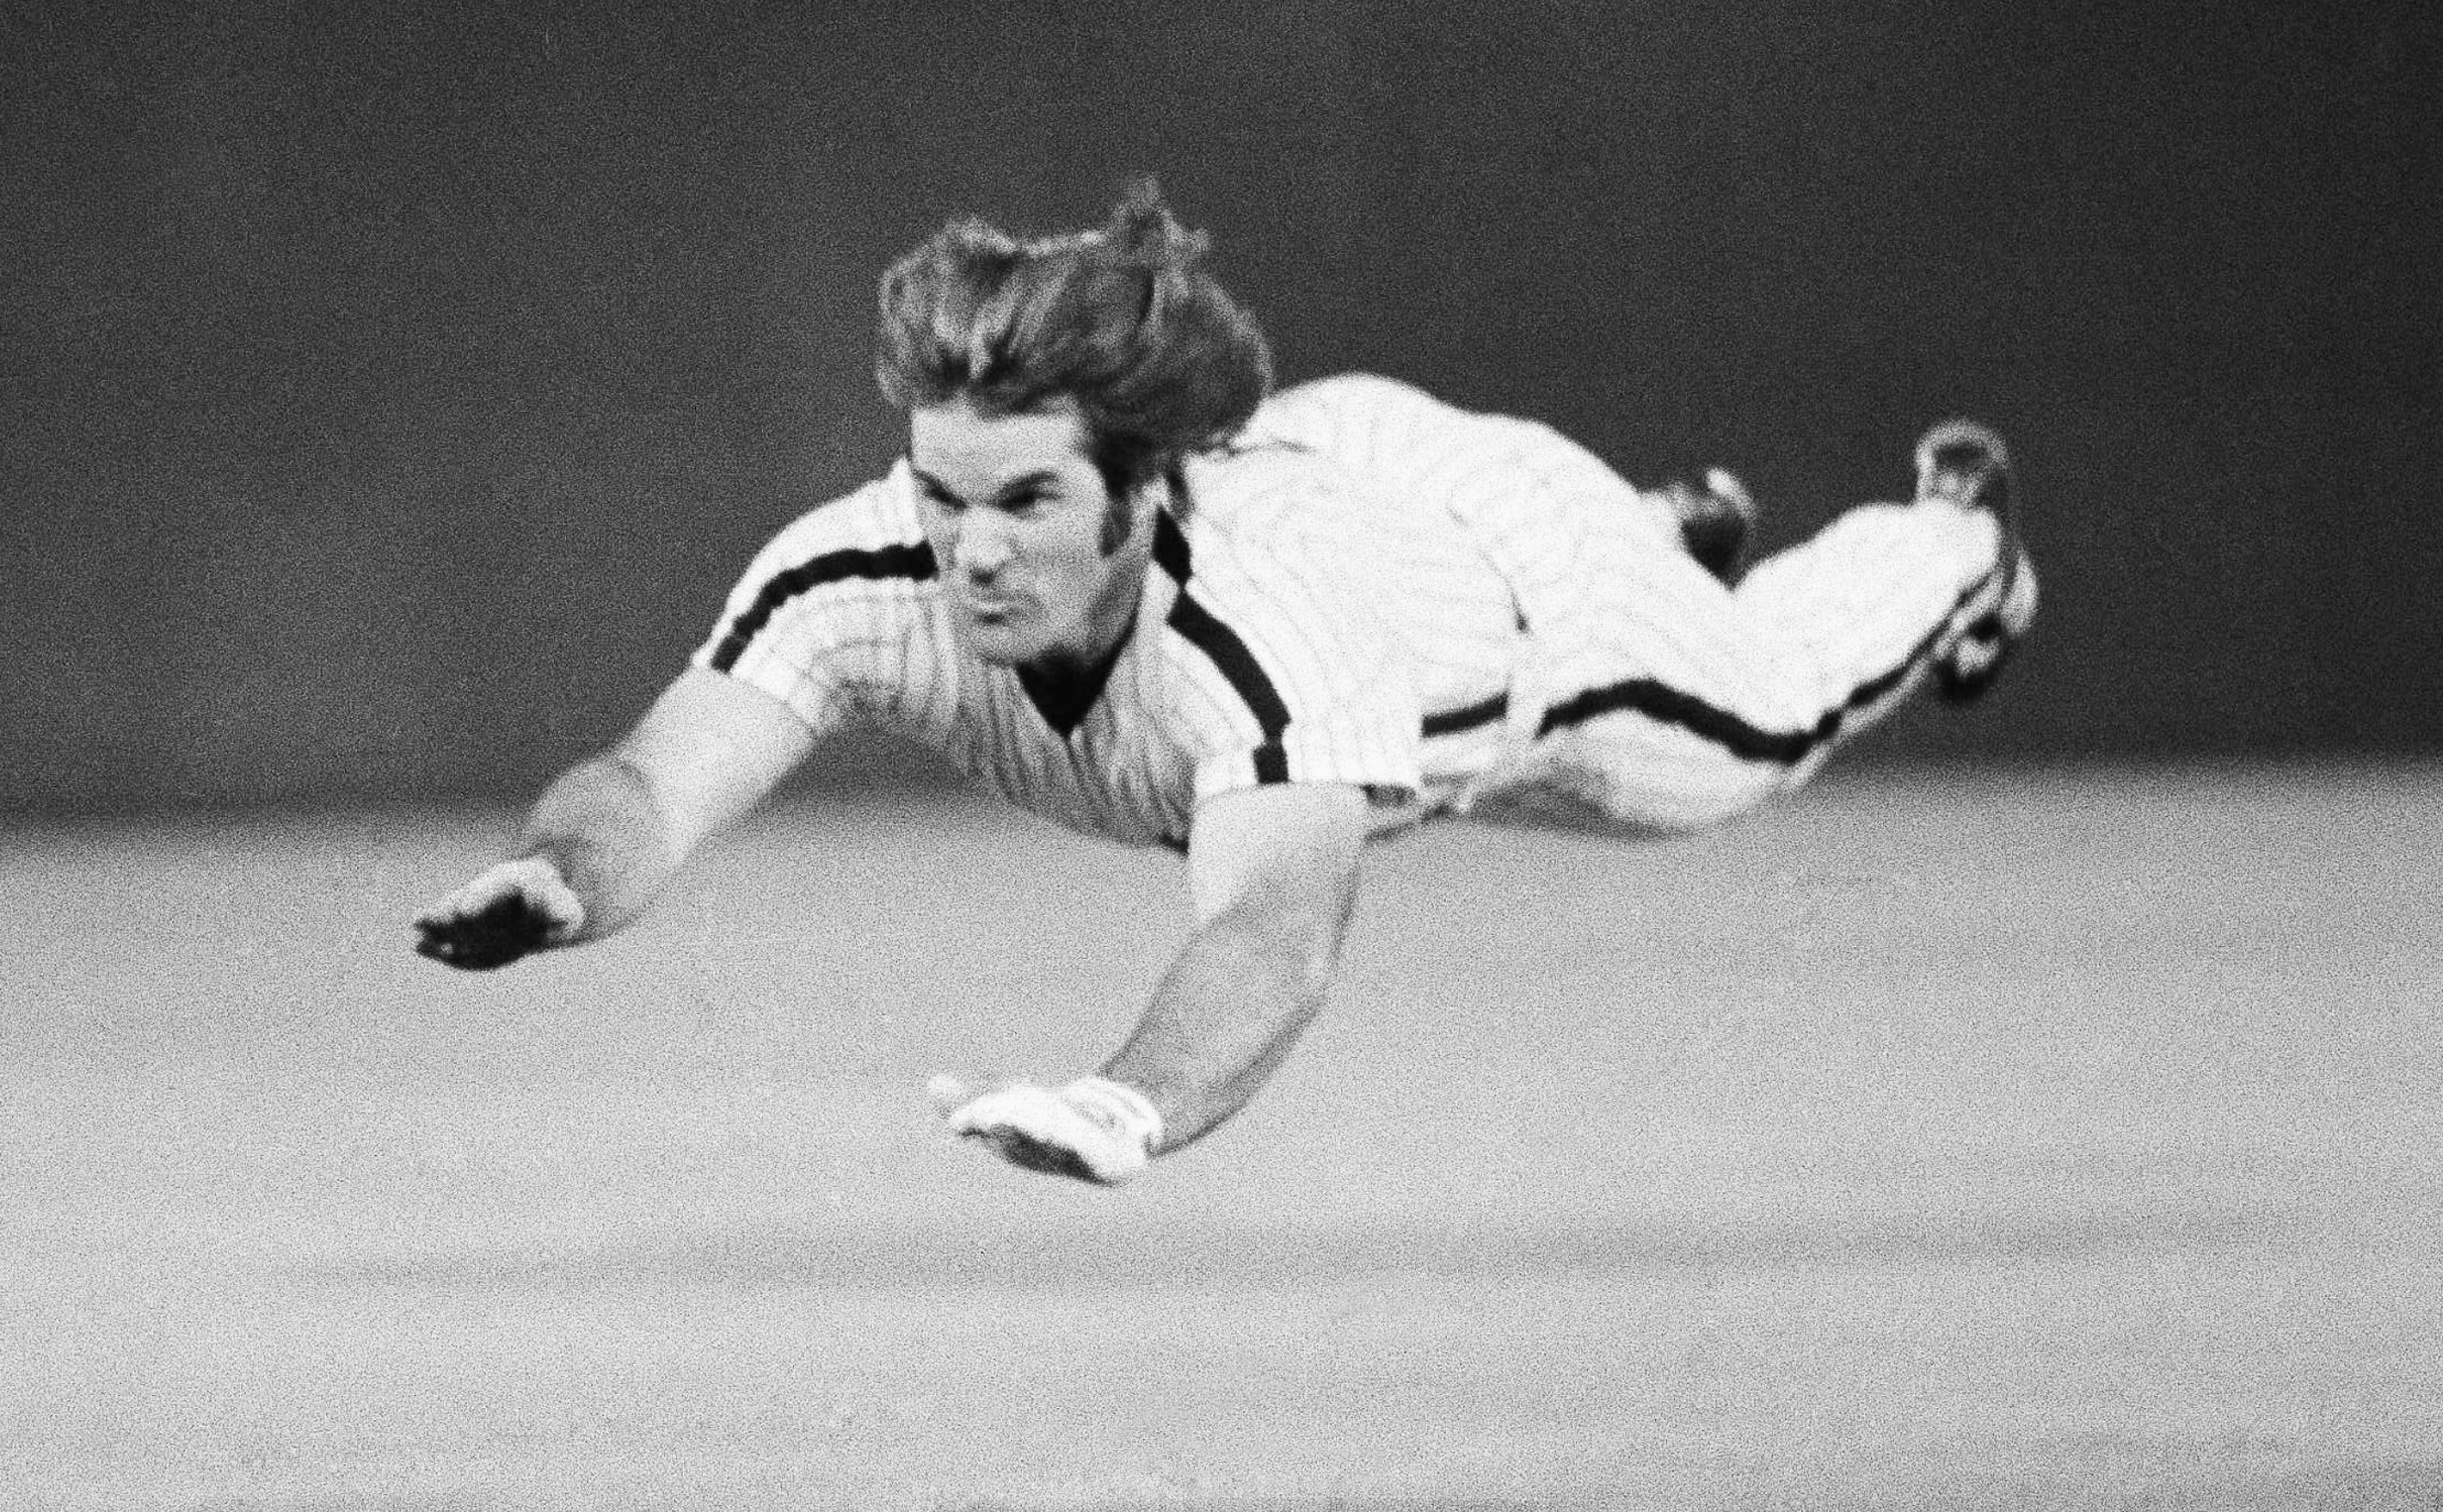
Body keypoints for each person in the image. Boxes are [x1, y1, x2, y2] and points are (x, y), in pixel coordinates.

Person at [413, 185, 2035, 1184]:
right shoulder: (863, 574)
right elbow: (653, 777)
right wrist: (562, 876)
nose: (968, 550)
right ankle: (1672, 526)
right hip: (1352, 477)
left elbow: (1274, 930)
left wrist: (1129, 1104)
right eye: (942, 494)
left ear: (1143, 492)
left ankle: (1949, 545)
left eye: (1028, 502)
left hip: (1526, 596)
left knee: (1766, 724)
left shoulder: (1257, 640)